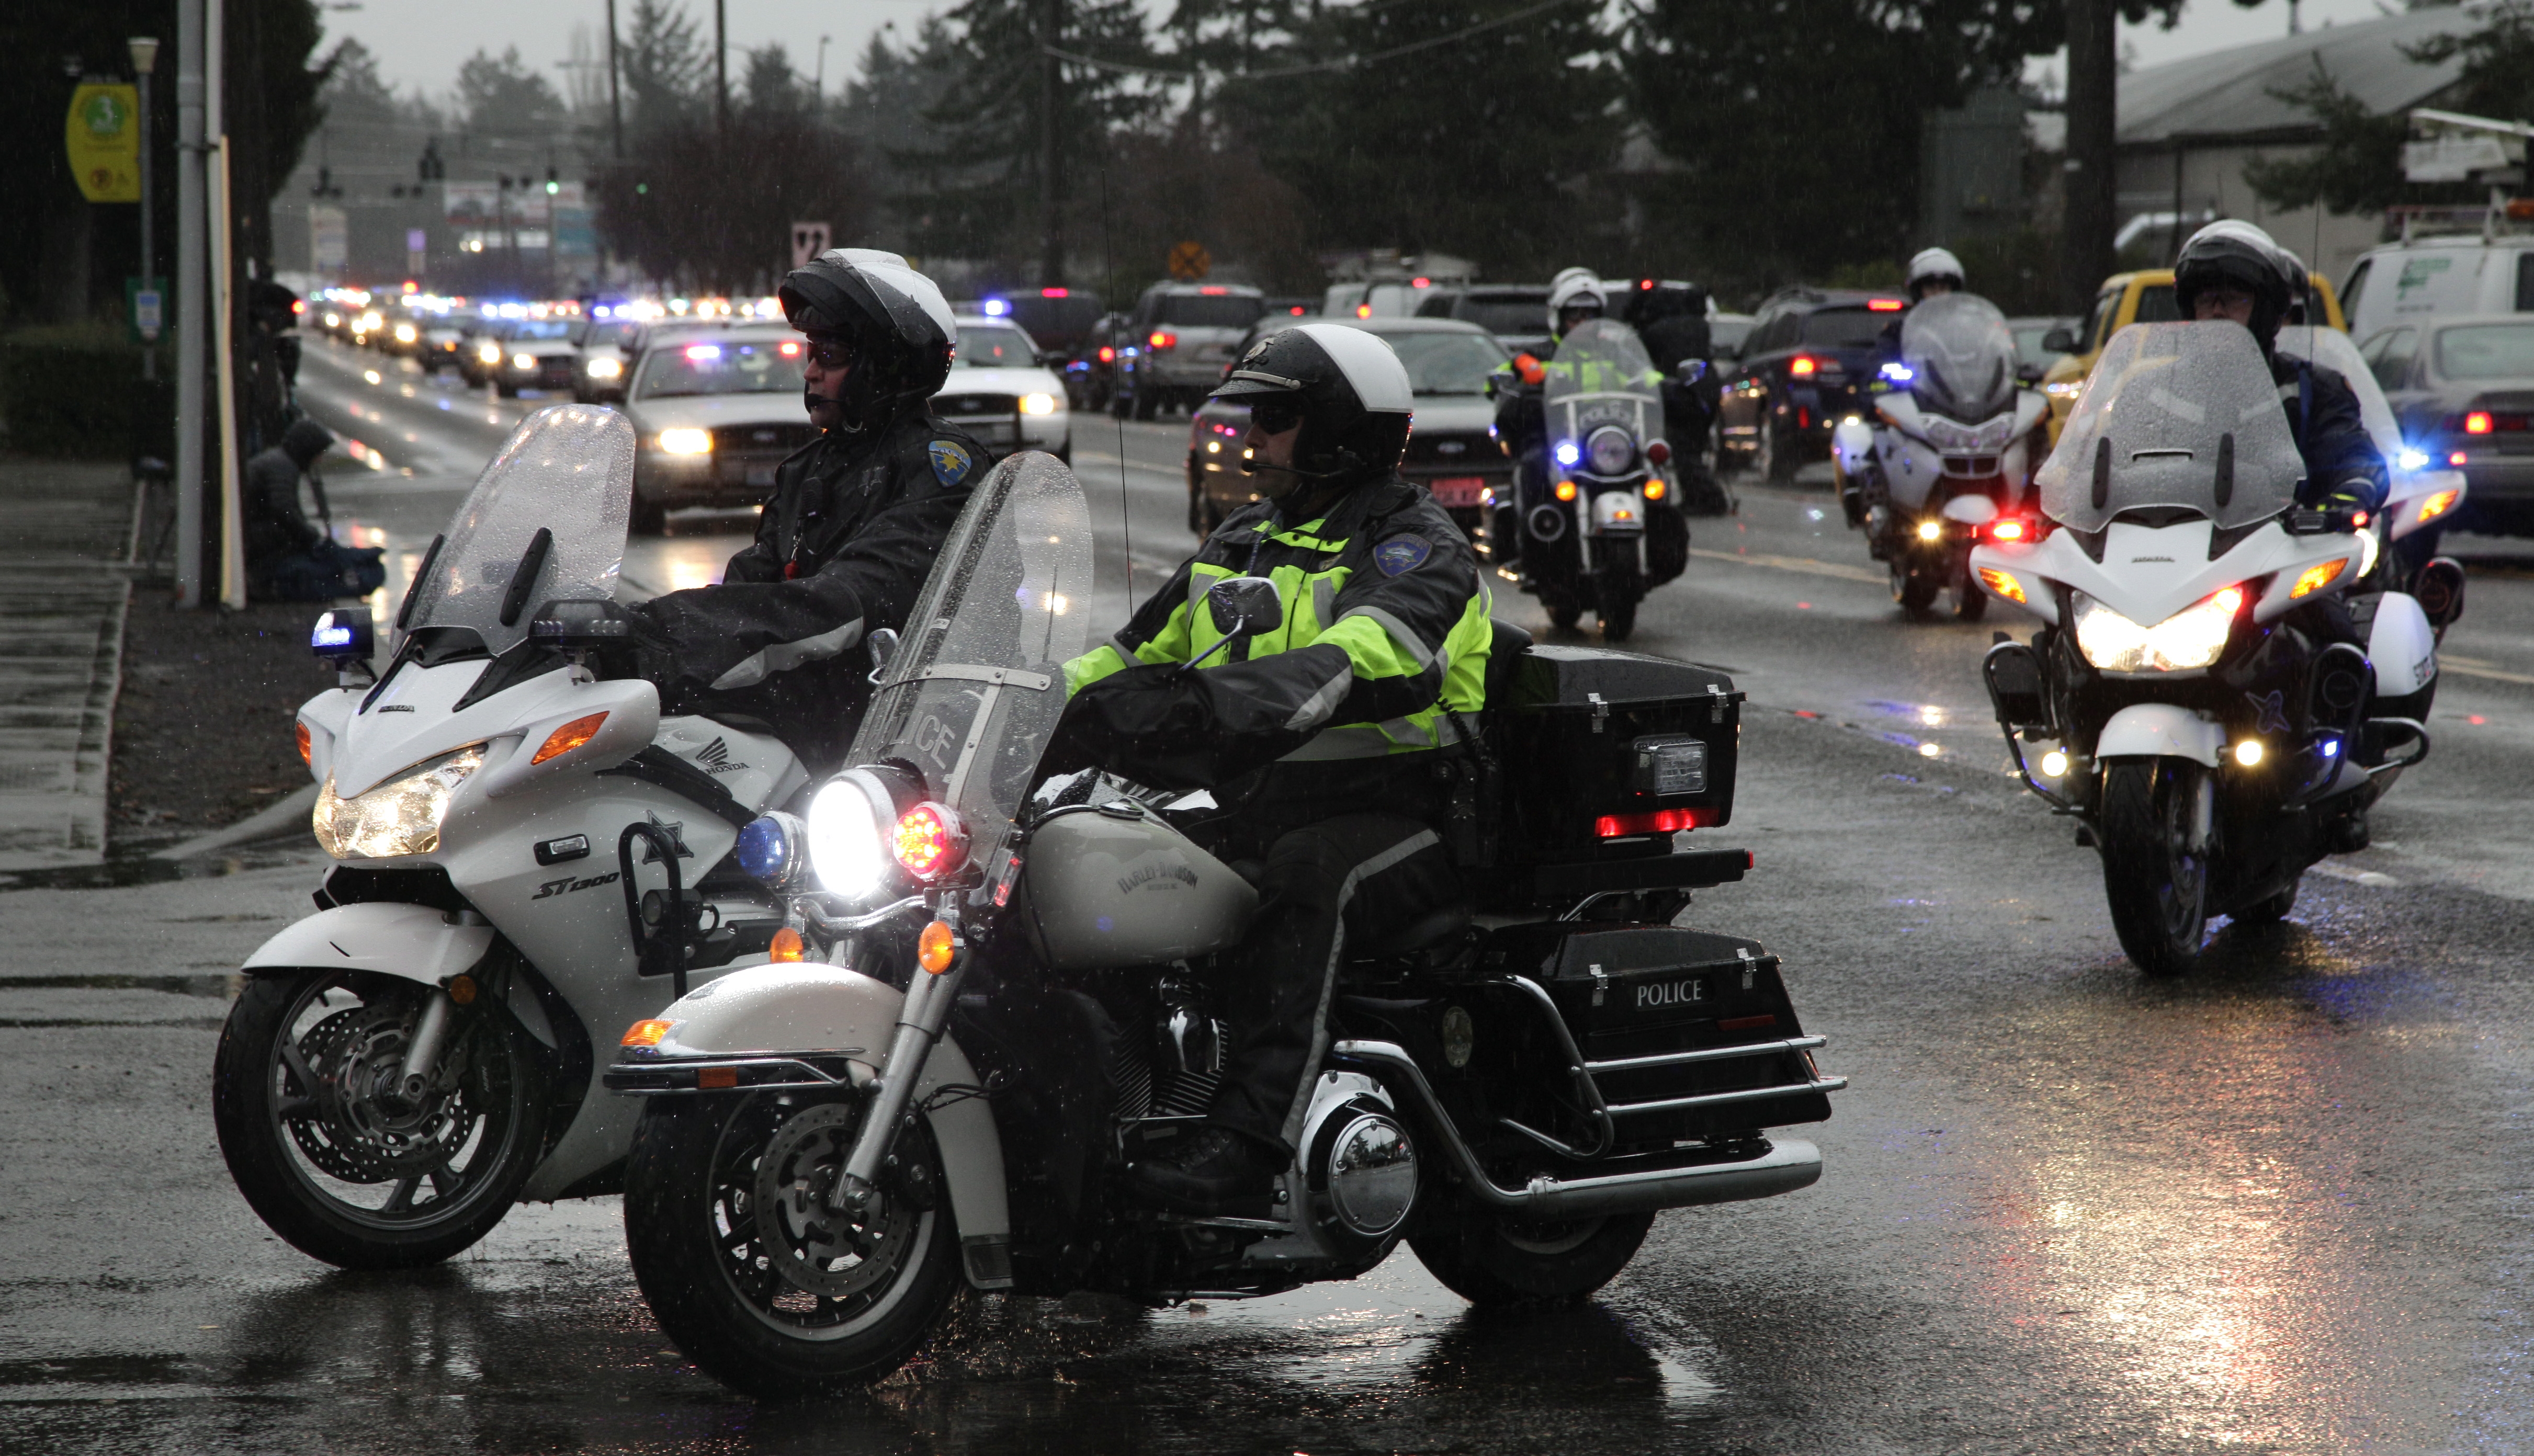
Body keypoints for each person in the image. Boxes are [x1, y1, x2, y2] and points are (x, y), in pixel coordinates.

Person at [1049, 323, 1494, 1213]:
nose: (1249, 437)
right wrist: (1031, 705)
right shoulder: (1242, 538)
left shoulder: (1415, 547)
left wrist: (1208, 708)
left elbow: (1364, 654)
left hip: (1405, 812)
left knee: (1307, 877)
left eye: (1275, 417)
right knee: (1099, 859)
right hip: (1262, 797)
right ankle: (1103, 1109)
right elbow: (1135, 651)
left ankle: (1247, 1145)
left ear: (1338, 429)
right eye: (1249, 415)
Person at [623, 249, 988, 770]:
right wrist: (636, 631)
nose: (811, 373)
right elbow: (750, 591)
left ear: (882, 367)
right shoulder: (810, 469)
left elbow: (852, 601)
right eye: (810, 353)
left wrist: (660, 643)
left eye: (831, 356)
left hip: (904, 738)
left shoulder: (940, 469)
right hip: (812, 719)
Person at [2170, 220, 2385, 514]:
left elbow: (2353, 458)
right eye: (2206, 300)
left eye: (2233, 299)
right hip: (2178, 549)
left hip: (2285, 548)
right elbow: (2107, 468)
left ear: (2266, 310)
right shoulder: (2154, 392)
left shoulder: (2312, 390)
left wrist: (2349, 495)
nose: (2217, 311)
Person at [243, 419, 386, 602]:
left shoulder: (279, 461)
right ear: (307, 450)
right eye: (319, 454)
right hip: (256, 534)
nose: (319, 460)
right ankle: (268, 582)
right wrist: (310, 538)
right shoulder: (282, 467)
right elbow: (284, 511)